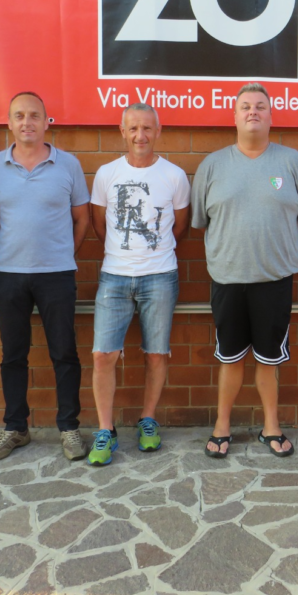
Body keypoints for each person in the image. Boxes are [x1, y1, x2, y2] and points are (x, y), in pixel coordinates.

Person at [191, 83, 298, 458]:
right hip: (227, 279)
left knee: (268, 359)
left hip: (274, 281)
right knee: (230, 358)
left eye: (260, 106)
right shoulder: (212, 165)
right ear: (234, 116)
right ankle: (222, 426)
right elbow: (201, 222)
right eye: (245, 106)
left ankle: (271, 427)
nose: (253, 112)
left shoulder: (291, 162)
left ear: (271, 116)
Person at [0, 92, 90, 463]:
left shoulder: (68, 164)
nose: (26, 122)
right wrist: (14, 250)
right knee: (13, 354)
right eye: (19, 116)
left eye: (33, 115)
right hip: (9, 274)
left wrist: (63, 254)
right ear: (9, 122)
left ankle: (69, 427)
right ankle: (16, 427)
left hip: (56, 274)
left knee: (64, 352)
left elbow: (82, 219)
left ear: (46, 121)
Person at [87, 103, 190, 466]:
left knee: (156, 353)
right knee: (103, 354)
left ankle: (148, 419)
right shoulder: (107, 174)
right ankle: (106, 430)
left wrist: (151, 253)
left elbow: (180, 227)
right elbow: (99, 225)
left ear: (158, 131)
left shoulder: (174, 176)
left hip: (160, 276)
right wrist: (124, 254)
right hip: (114, 275)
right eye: (133, 128)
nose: (140, 135)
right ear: (122, 131)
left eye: (147, 128)